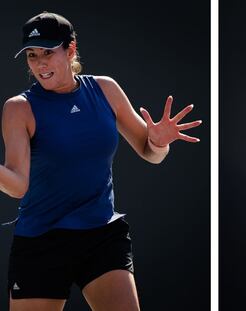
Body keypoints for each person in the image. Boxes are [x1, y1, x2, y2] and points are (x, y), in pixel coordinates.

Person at [5, 11, 202, 311]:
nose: (40, 63)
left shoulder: (105, 90)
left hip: (101, 234)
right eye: (32, 55)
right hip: (41, 240)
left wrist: (159, 142)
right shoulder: (19, 108)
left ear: (70, 50)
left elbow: (151, 153)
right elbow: (18, 185)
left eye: (48, 52)